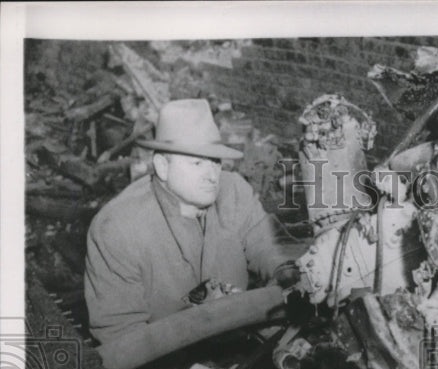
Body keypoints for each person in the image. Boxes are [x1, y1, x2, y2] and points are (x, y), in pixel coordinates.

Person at [85, 98, 291, 347]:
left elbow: (267, 247)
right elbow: (120, 334)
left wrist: (285, 271)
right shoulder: (116, 227)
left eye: (215, 161)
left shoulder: (234, 190)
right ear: (162, 166)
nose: (212, 175)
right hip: (164, 363)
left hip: (236, 339)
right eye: (197, 162)